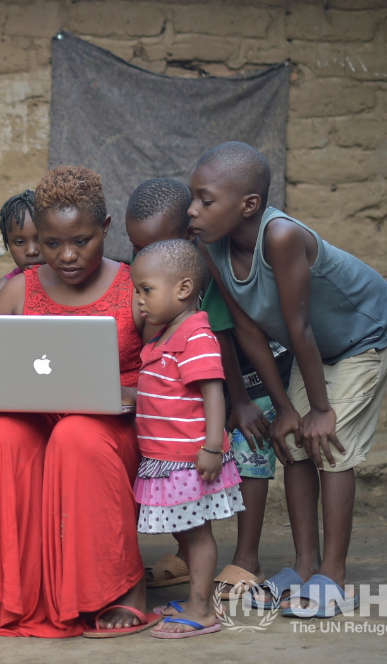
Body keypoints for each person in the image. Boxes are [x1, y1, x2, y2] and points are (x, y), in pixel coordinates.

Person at [0, 165, 162, 638]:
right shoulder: (17, 290)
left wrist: (132, 392)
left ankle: (123, 588)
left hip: (109, 431)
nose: (66, 256)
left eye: (83, 241)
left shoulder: (136, 287)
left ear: (106, 229)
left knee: (76, 436)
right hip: (35, 421)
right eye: (51, 244)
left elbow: (172, 370)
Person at [188, 142, 387, 618]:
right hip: (317, 349)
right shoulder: (213, 247)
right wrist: (286, 406)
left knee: (331, 440)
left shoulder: (281, 236)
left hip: (365, 334)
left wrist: (322, 410)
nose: (193, 211)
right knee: (296, 442)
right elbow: (247, 328)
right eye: (193, 199)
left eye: (206, 200)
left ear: (248, 205)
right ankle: (305, 567)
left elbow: (299, 327)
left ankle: (334, 574)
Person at [125, 177, 291, 595]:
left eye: (153, 245)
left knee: (250, 451)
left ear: (186, 234)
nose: (142, 256)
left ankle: (246, 559)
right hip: (204, 376)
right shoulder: (160, 277)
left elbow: (230, 334)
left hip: (251, 372)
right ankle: (188, 555)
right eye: (135, 247)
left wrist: (244, 401)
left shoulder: (204, 267)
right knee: (186, 477)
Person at [131, 238, 244, 638]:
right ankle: (195, 598)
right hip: (166, 458)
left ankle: (202, 609)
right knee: (185, 531)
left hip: (189, 459)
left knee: (197, 535)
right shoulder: (165, 337)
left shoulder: (195, 337)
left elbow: (215, 392)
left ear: (182, 289)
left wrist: (213, 446)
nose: (138, 300)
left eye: (146, 289)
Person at [0, 190, 44, 302]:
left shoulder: (72, 281)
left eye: (39, 240)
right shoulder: (2, 291)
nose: (31, 251)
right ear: (7, 243)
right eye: (19, 242)